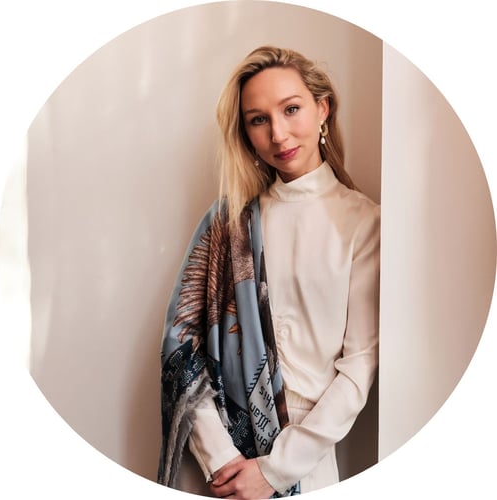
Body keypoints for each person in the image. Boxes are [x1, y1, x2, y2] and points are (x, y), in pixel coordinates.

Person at [158, 46, 380, 498]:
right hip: (220, 462)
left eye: (292, 109)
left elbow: (359, 367)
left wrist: (275, 470)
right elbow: (182, 349)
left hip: (309, 461)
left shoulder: (363, 222)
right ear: (245, 133)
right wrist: (224, 461)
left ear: (323, 109)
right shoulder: (228, 224)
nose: (278, 133)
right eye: (258, 119)